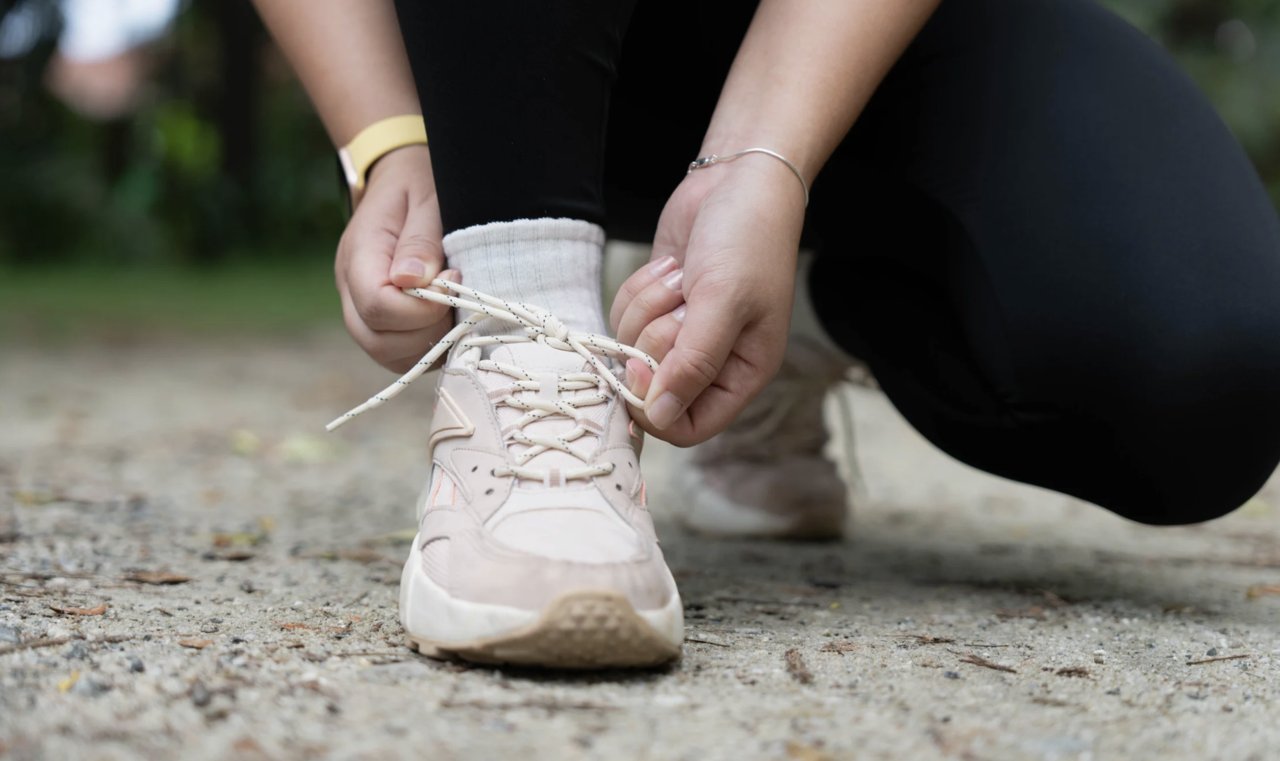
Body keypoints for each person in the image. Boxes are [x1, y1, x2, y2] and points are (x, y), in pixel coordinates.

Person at [252, 0, 1280, 668]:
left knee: (1204, 382)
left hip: (872, 40)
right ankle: (533, 321)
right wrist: (391, 138)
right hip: (506, 53)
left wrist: (762, 158)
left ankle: (773, 322)